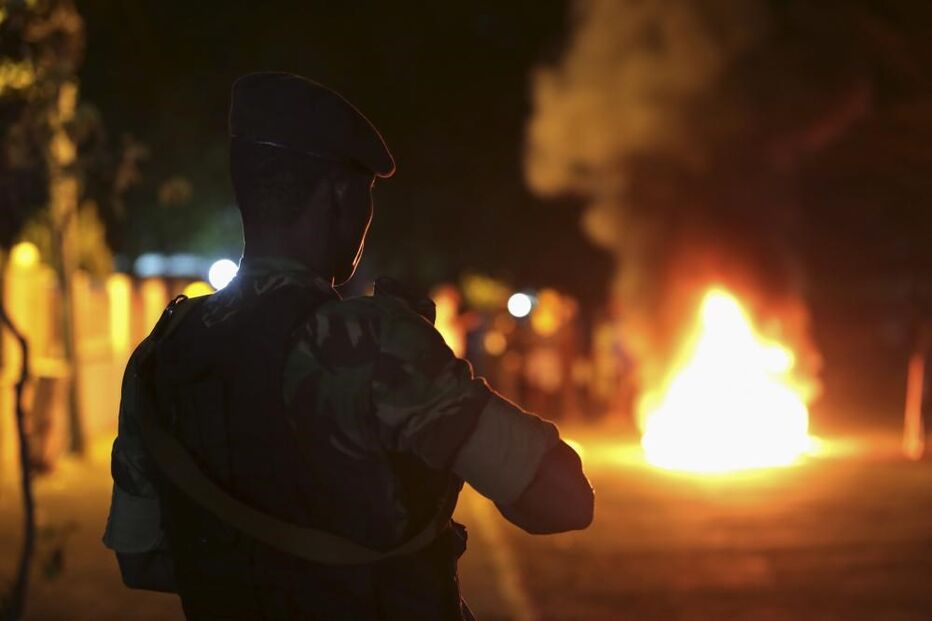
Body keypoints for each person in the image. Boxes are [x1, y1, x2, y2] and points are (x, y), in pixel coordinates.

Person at [103, 72, 593, 621]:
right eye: (366, 193)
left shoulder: (161, 351)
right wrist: (430, 369)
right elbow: (563, 500)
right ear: (340, 195)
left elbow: (139, 559)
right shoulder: (373, 343)